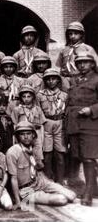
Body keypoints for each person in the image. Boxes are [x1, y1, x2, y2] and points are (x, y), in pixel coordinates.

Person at [6, 121, 76, 210]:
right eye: (22, 134)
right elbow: (13, 178)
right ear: (17, 137)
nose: (26, 137)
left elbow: (38, 170)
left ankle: (46, 193)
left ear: (33, 135)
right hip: (26, 189)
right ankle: (42, 196)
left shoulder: (33, 148)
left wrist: (47, 183)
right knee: (61, 199)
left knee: (72, 195)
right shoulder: (13, 152)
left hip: (39, 182)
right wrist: (18, 201)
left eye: (28, 133)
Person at [65, 52, 98, 206]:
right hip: (74, 123)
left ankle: (88, 194)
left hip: (90, 123)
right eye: (79, 63)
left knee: (88, 158)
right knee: (77, 155)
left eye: (85, 62)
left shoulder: (97, 79)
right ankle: (94, 189)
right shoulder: (74, 79)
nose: (82, 65)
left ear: (92, 64)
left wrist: (91, 110)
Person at [36, 68, 68, 184]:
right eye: (48, 79)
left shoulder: (64, 95)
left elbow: (67, 111)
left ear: (58, 80)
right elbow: (38, 111)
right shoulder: (40, 95)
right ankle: (48, 179)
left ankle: (60, 180)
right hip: (46, 123)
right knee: (47, 153)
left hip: (60, 123)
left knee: (60, 153)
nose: (51, 81)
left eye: (53, 79)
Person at [10, 84, 46, 162]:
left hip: (36, 136)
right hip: (22, 136)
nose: (26, 99)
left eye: (29, 96)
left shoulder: (38, 109)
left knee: (37, 158)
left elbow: (42, 126)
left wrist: (42, 140)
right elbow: (14, 125)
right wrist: (15, 140)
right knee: (23, 157)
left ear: (33, 97)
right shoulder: (17, 109)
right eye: (24, 96)